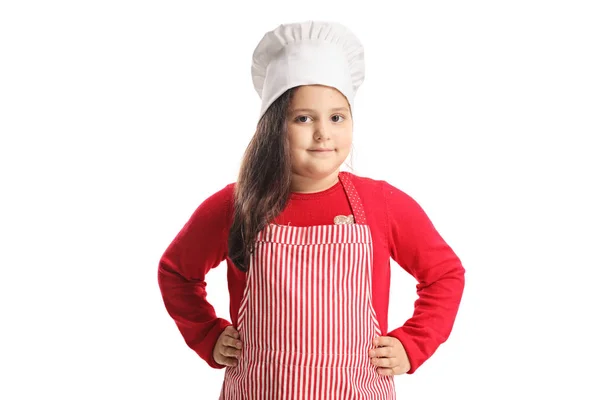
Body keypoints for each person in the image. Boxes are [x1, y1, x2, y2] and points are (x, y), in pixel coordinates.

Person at [157, 20, 465, 399]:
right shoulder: (236, 205)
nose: (323, 133)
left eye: (337, 117)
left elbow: (444, 275)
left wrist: (413, 343)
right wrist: (208, 334)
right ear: (273, 127)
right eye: (303, 118)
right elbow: (176, 272)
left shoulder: (380, 203)